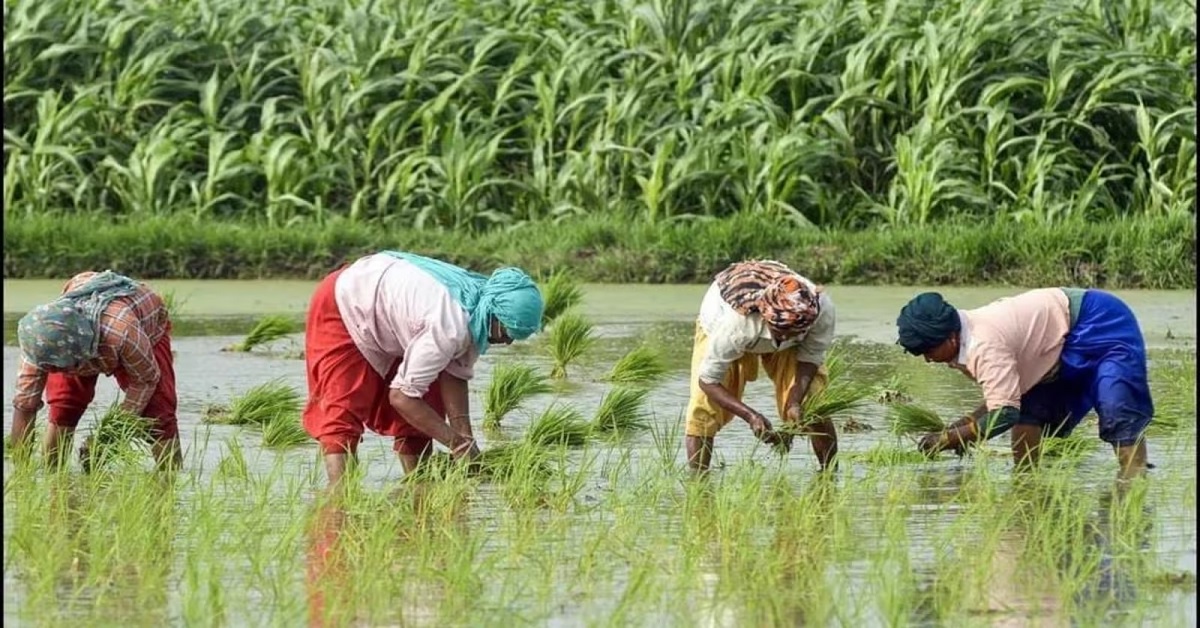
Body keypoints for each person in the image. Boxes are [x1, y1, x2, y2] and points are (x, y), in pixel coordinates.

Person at [302, 250, 544, 486]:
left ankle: (418, 486)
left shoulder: (478, 306)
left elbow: (455, 371)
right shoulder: (448, 325)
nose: (507, 342)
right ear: (492, 314)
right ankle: (340, 494)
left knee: (428, 401)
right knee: (343, 402)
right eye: (507, 333)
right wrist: (457, 444)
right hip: (347, 300)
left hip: (396, 313)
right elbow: (402, 397)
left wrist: (466, 438)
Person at [895, 288, 1154, 480]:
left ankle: (1133, 480)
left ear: (950, 337)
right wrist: (963, 425)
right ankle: (1026, 482)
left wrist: (950, 439)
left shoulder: (982, 345)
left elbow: (1004, 414)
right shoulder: (961, 345)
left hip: (1098, 320)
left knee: (1116, 404)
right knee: (1028, 409)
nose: (927, 359)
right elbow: (1008, 396)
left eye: (927, 350)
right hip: (1055, 342)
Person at [8, 270, 182, 469]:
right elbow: (25, 406)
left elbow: (146, 380)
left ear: (79, 354)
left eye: (63, 366)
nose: (56, 371)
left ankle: (171, 477)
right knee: (64, 405)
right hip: (72, 332)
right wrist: (19, 474)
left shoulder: (122, 332)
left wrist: (107, 439)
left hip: (142, 324)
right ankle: (52, 473)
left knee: (158, 411)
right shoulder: (38, 343)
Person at [684, 259, 838, 473]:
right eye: (782, 333)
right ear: (767, 319)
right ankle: (698, 480)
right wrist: (750, 416)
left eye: (795, 333)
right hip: (723, 325)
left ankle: (829, 476)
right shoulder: (737, 324)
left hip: (784, 329)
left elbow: (810, 357)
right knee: (702, 408)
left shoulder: (820, 310)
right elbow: (708, 380)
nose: (786, 338)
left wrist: (794, 401)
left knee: (814, 403)